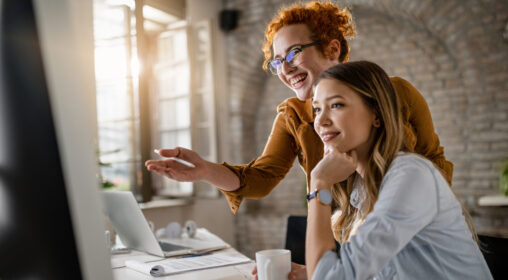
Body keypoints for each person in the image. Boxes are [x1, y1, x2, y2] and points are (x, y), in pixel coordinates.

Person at [145, 1, 453, 215]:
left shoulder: (396, 93)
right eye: (277, 61)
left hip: (407, 229)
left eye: (293, 53)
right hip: (340, 235)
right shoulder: (293, 115)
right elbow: (260, 178)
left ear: (332, 49)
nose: (284, 68)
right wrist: (204, 171)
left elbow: (434, 161)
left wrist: (426, 217)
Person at [304, 60, 508, 280]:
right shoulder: (364, 192)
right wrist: (312, 278)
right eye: (317, 109)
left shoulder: (411, 176)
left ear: (376, 114)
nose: (320, 121)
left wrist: (318, 186)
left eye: (337, 105)